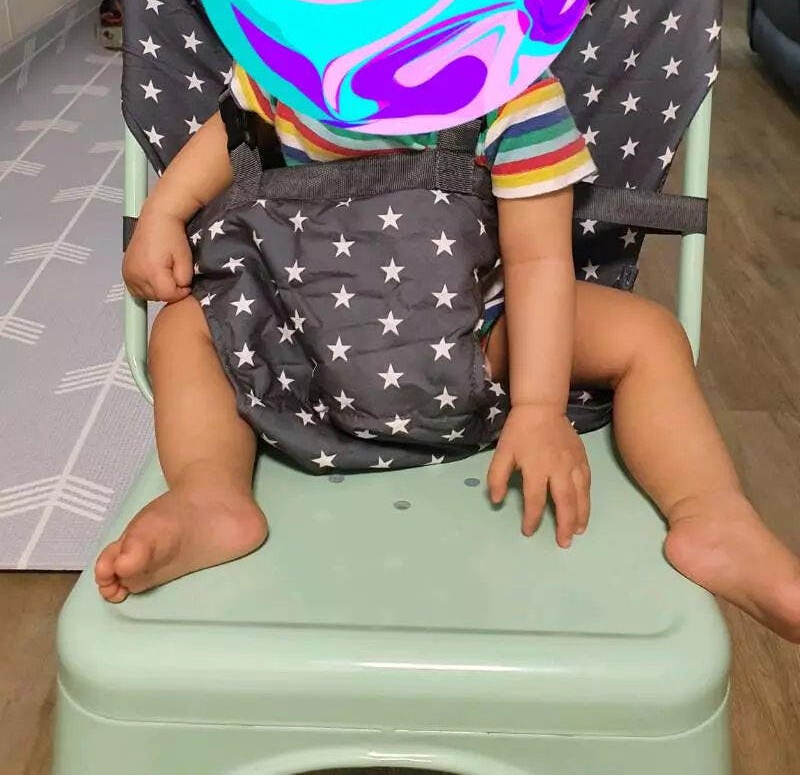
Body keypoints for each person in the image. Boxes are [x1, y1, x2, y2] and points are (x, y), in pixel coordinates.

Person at [94, 64, 800, 646]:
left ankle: (712, 515)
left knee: (648, 336)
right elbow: (230, 130)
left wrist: (539, 408)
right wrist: (162, 214)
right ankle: (210, 492)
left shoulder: (515, 91)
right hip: (304, 341)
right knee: (183, 325)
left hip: (477, 338)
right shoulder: (292, 60)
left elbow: (538, 261)